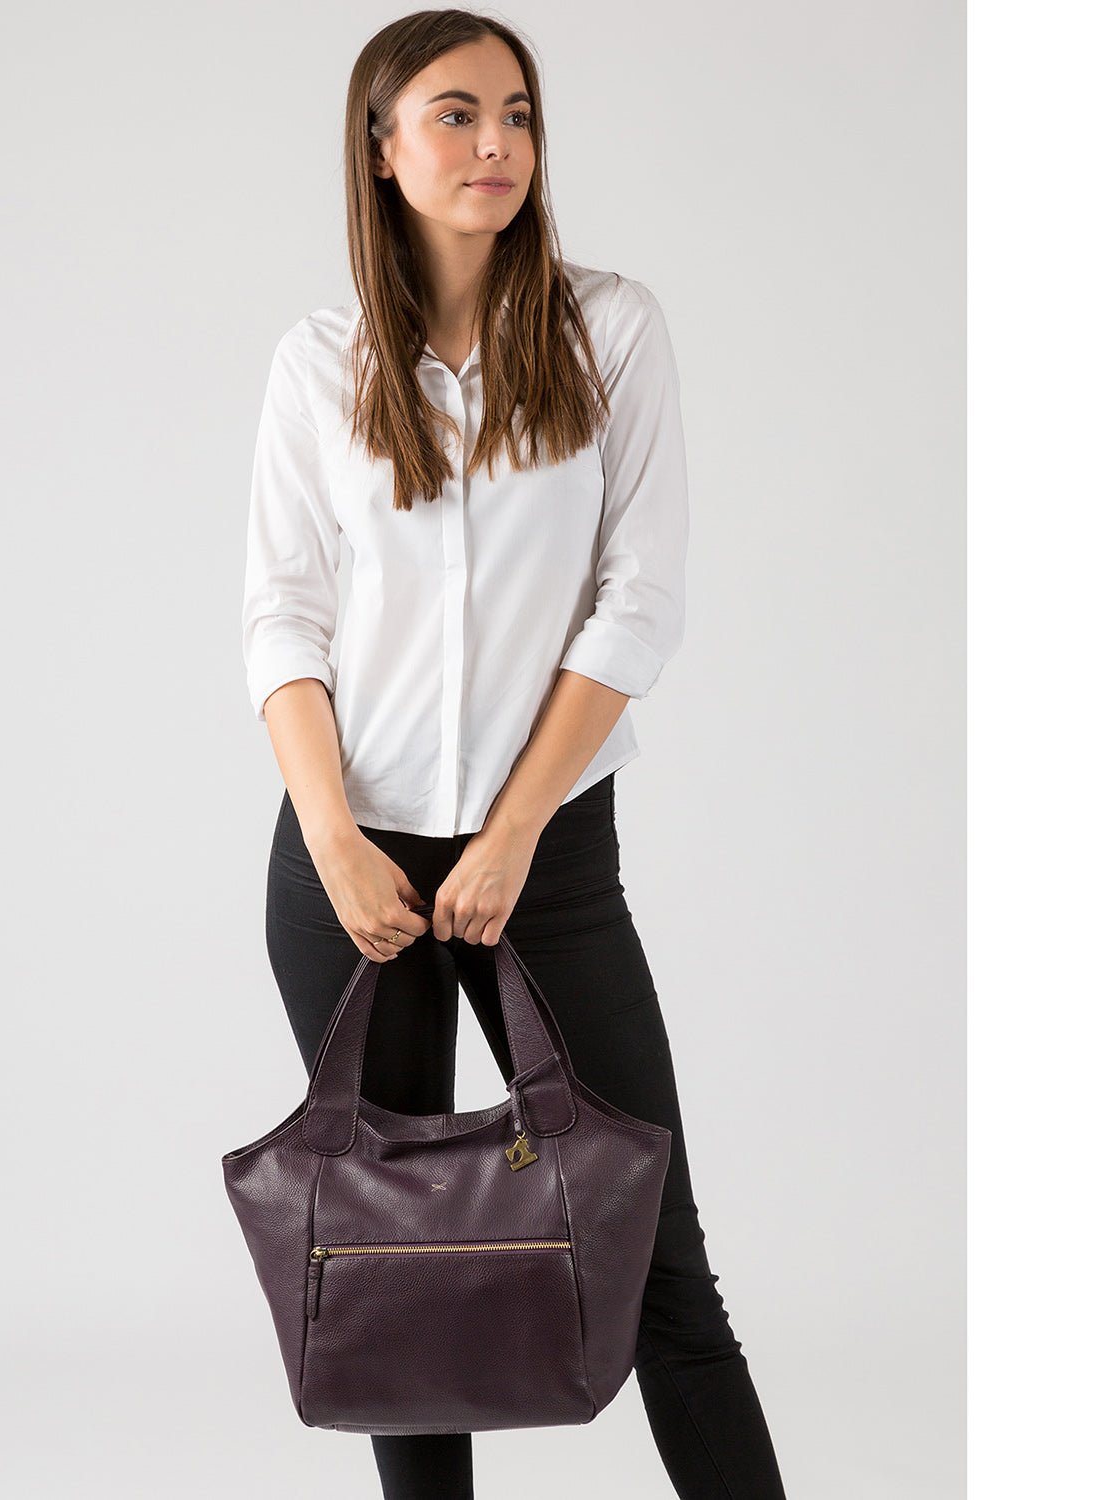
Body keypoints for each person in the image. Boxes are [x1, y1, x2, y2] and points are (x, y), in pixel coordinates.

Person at [242, 10, 789, 1498]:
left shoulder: (611, 329)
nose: (497, 144)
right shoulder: (319, 362)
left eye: (519, 114)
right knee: (397, 1273)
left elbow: (639, 601)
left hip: (544, 853)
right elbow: (282, 620)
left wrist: (510, 835)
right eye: (456, 114)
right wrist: (337, 837)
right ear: (380, 146)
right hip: (347, 866)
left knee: (657, 1254)